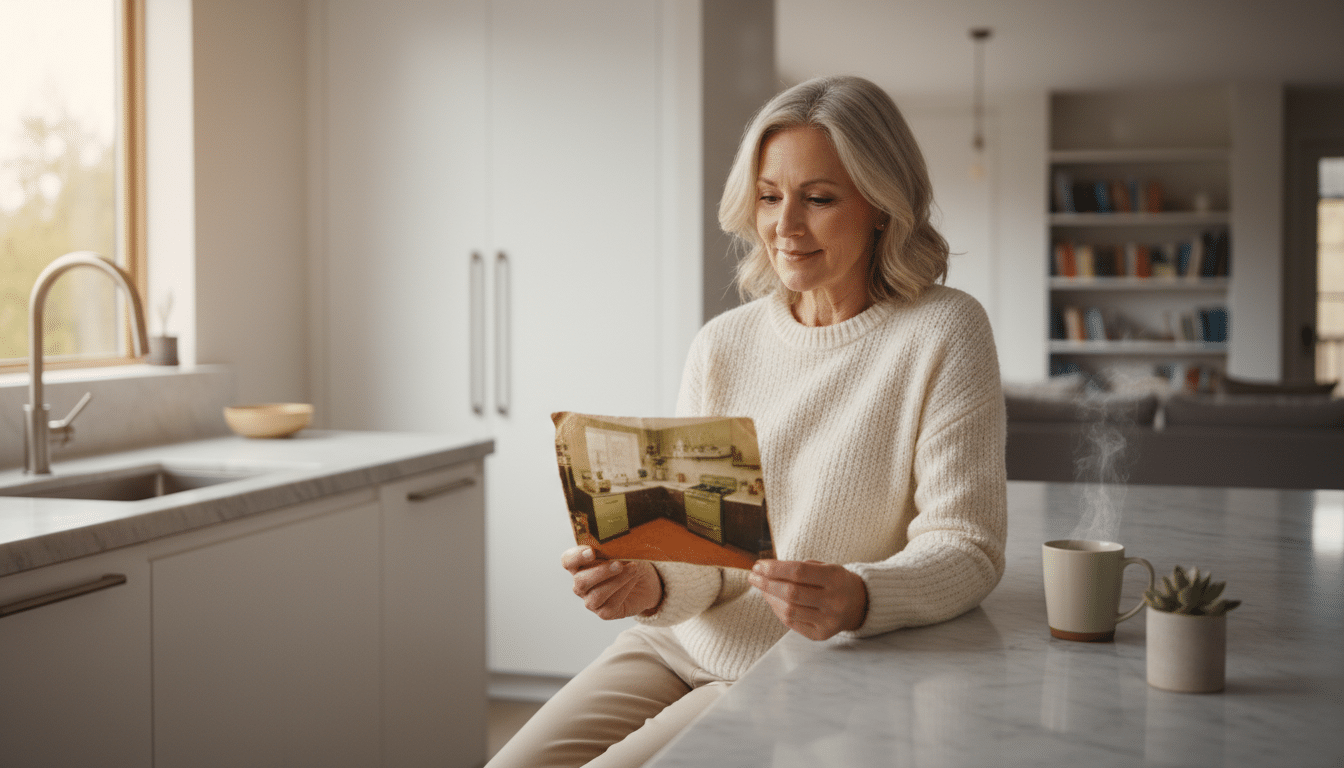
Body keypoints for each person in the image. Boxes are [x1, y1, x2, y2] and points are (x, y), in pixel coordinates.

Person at [486, 74, 1007, 768]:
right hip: (677, 641)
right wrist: (652, 582)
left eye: (818, 199)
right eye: (769, 197)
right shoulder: (723, 343)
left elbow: (967, 543)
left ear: (882, 205)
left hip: (796, 662)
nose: (784, 227)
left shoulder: (945, 330)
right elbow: (707, 546)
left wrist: (860, 596)